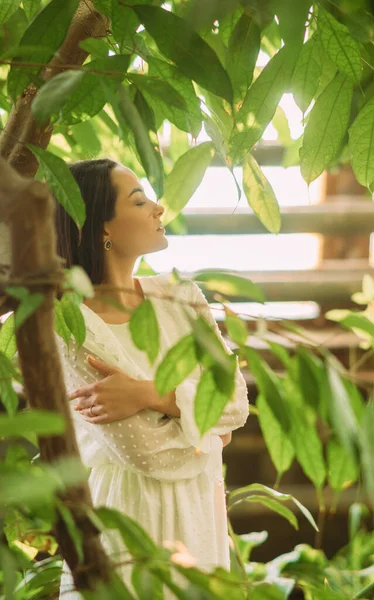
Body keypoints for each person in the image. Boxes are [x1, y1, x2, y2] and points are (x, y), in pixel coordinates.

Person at [54, 158, 249, 598]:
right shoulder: (68, 322)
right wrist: (207, 428)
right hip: (125, 519)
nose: (158, 207)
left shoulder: (183, 296)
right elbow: (148, 454)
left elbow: (235, 401)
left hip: (199, 511)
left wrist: (150, 394)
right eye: (139, 200)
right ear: (101, 226)